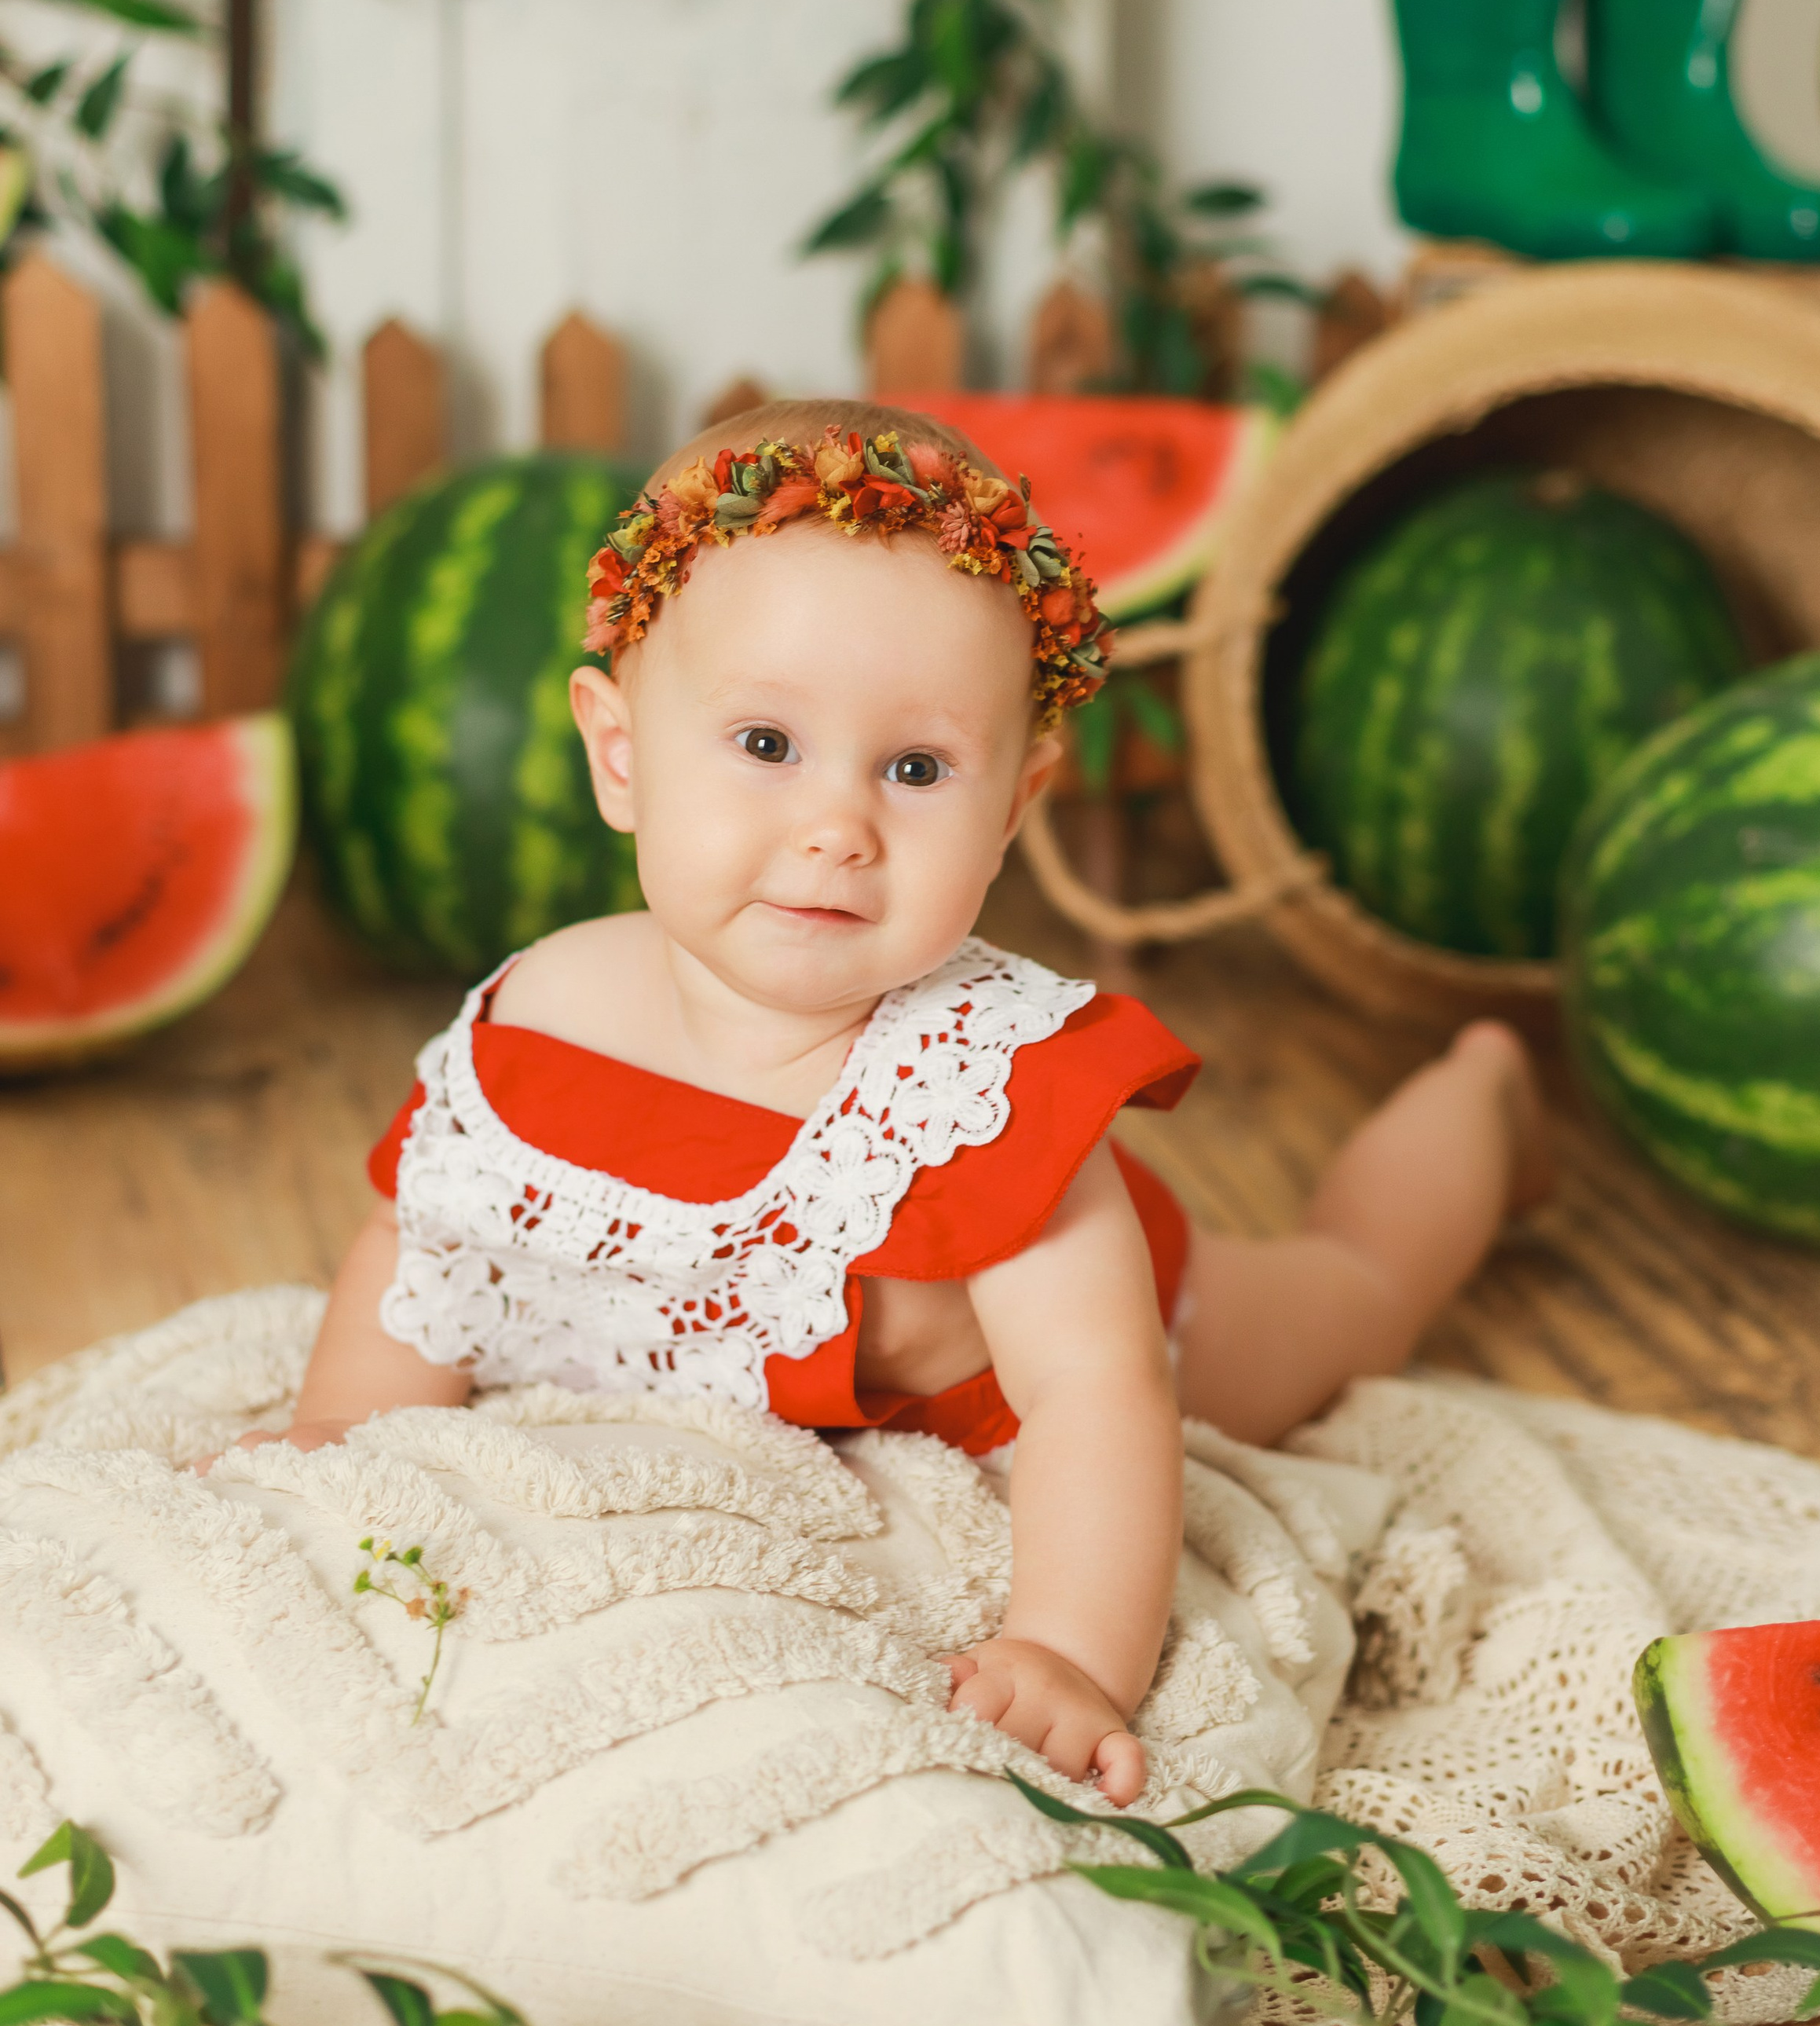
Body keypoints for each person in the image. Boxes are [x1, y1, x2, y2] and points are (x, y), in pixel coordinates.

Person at [244, 400, 1550, 1804]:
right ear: (619, 755)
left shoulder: (987, 1090)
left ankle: (1489, 1090)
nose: (837, 826)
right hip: (801, 1389)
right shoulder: (540, 1019)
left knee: (1351, 1291)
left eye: (916, 771)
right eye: (764, 744)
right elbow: (425, 1237)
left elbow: (1094, 1389)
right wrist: (349, 1428)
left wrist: (1066, 1649)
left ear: (1011, 806)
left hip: (1122, 1329)